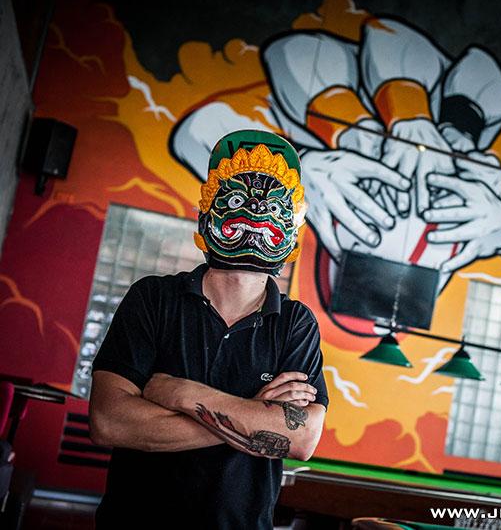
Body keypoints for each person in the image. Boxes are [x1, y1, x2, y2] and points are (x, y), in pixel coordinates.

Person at [88, 130, 328, 530]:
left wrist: (183, 394)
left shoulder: (295, 324)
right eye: (235, 200)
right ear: (206, 217)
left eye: (273, 207)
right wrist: (254, 412)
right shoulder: (153, 298)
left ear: (291, 231)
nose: (256, 212)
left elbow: (301, 439)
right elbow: (108, 422)